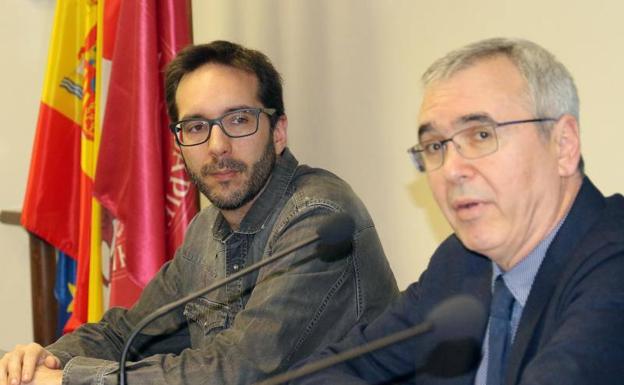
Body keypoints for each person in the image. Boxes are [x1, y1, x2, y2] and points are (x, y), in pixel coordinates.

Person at [0, 40, 398, 385]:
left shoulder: (318, 218)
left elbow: (239, 370)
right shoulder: (208, 228)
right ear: (179, 144)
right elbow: (131, 333)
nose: (217, 145)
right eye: (195, 127)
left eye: (238, 120)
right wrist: (48, 358)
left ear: (278, 133)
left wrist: (69, 379)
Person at [291, 37, 624, 385]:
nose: (451, 169)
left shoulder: (613, 265)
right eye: (435, 146)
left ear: (563, 145)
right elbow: (325, 372)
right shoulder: (460, 264)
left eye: (481, 135)